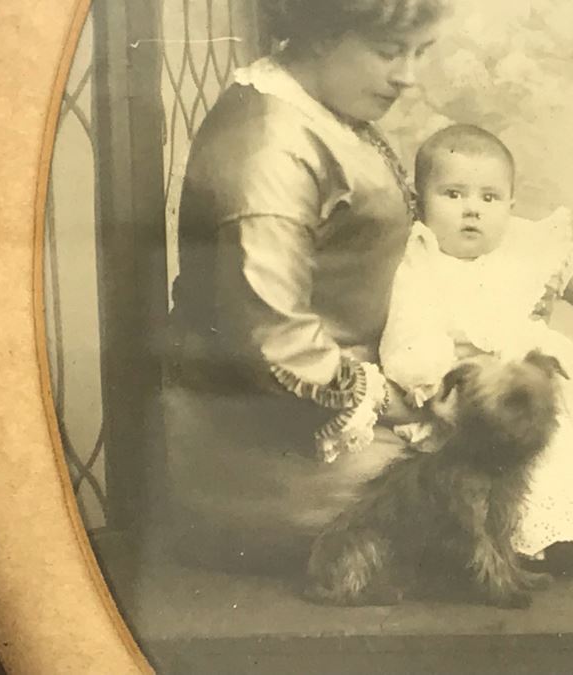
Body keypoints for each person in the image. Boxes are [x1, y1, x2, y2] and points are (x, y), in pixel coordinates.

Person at [162, 0, 449, 573]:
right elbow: (272, 344)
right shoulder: (270, 146)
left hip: (336, 402)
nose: (408, 76)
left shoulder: (323, 110)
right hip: (266, 444)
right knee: (478, 502)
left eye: (421, 53)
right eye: (389, 52)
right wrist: (403, 405)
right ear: (320, 34)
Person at [379, 124, 573, 559]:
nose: (472, 210)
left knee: (559, 448)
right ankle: (506, 547)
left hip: (535, 382)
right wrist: (432, 383)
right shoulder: (419, 257)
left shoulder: (521, 244)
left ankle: (566, 537)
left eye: (489, 198)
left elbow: (569, 276)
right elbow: (410, 322)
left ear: (510, 205)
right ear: (419, 203)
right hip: (473, 388)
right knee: (477, 469)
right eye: (453, 195)